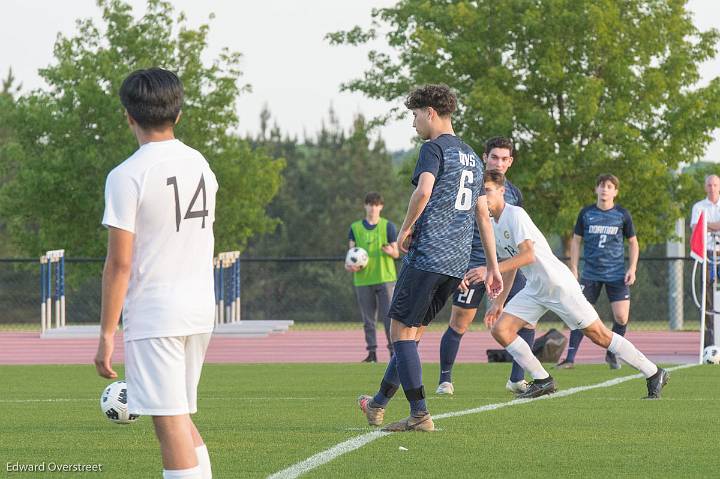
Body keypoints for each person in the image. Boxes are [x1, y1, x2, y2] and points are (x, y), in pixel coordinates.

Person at [357, 84, 503, 432]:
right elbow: (483, 215)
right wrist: (494, 266)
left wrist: (406, 229)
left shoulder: (433, 149)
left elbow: (423, 191)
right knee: (412, 334)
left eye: (414, 115)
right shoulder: (470, 153)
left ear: (431, 113)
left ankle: (420, 414)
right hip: (455, 264)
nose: (413, 123)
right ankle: (377, 403)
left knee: (400, 335)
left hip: (427, 257)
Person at [94, 68, 217, 479]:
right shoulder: (200, 163)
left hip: (156, 312)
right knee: (177, 414)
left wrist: (107, 334)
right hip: (199, 307)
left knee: (167, 424)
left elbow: (120, 263)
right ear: (178, 114)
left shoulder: (127, 175)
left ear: (127, 115)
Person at [478, 170, 668, 400]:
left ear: (502, 191)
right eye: (480, 191)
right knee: (501, 329)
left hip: (558, 285)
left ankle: (653, 372)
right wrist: (498, 303)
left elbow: (527, 255)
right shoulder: (491, 224)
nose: (483, 195)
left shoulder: (515, 214)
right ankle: (542, 379)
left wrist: (491, 270)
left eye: (487, 190)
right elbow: (512, 266)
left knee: (599, 335)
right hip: (535, 289)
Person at [436, 136, 532, 395]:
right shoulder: (468, 186)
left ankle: (517, 379)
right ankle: (445, 380)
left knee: (529, 320)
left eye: (504, 158)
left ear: (510, 162)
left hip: (506, 265)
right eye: (494, 157)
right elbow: (454, 228)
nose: (498, 163)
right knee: (459, 323)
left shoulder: (513, 193)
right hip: (473, 266)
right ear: (484, 157)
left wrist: (503, 267)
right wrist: (457, 267)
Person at [556, 174, 639, 369]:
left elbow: (633, 242)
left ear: (615, 191)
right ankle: (569, 359)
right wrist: (574, 267)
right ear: (596, 189)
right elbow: (576, 241)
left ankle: (611, 353)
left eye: (609, 186)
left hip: (616, 274)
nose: (605, 189)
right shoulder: (586, 213)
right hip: (590, 273)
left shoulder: (622, 214)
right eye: (601, 186)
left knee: (621, 317)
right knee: (579, 314)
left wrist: (632, 268)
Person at [346, 192, 399, 362]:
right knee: (368, 320)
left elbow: (397, 252)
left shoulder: (388, 226)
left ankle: (393, 353)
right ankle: (372, 353)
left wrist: (392, 252)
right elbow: (350, 254)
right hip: (363, 280)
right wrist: (350, 265)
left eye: (376, 205)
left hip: (385, 279)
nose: (373, 208)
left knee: (388, 319)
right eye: (370, 204)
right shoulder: (355, 228)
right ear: (365, 206)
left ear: (381, 207)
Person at [691, 174, 720, 347]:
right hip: (707, 254)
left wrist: (707, 224)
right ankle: (709, 344)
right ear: (705, 187)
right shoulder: (699, 207)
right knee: (706, 295)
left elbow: (703, 225)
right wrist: (713, 225)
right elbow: (696, 228)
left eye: (715, 184)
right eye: (709, 185)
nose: (712, 188)